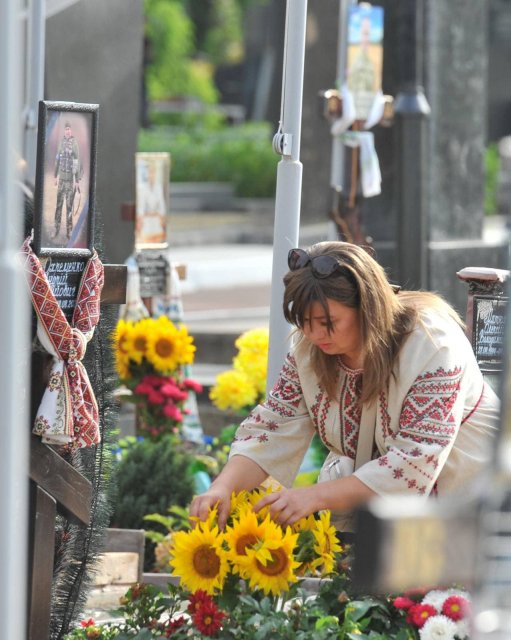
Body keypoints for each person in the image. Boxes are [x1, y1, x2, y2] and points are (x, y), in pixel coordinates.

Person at [190, 241, 500, 534]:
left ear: (368, 308)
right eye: (304, 322)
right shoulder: (309, 347)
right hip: (379, 517)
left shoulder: (433, 346)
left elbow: (412, 464)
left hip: (473, 506)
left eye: (327, 323)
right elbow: (274, 425)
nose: (313, 334)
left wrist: (313, 497)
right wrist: (223, 486)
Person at [53, 121, 81, 240]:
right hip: (61, 181)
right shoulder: (61, 143)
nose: (67, 131)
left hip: (70, 181)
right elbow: (57, 159)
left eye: (69, 129)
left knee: (69, 207)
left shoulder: (74, 143)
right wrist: (55, 176)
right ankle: (56, 229)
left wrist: (77, 180)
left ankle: (69, 231)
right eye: (66, 129)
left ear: (71, 131)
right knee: (58, 205)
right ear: (64, 131)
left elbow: (77, 161)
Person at [136, 159, 167, 245]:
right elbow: (141, 207)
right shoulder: (142, 188)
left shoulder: (158, 187)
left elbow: (161, 204)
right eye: (150, 173)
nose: (151, 175)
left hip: (156, 218)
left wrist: (162, 217)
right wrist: (140, 219)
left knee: (158, 238)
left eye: (153, 173)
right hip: (146, 219)